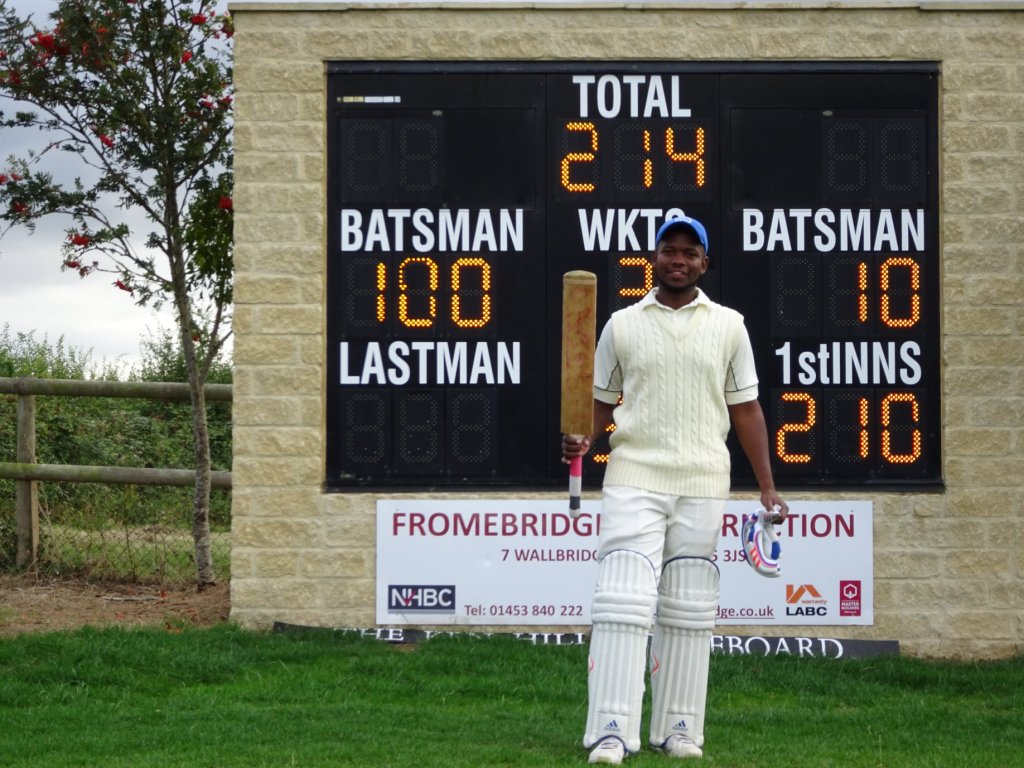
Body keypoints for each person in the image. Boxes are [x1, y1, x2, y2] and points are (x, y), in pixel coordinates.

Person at [561, 215, 789, 765]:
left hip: (704, 479)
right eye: (670, 250)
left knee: (689, 607)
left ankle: (679, 730)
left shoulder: (730, 326)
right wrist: (582, 438)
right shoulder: (621, 325)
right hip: (634, 474)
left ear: (704, 263)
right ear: (655, 258)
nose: (678, 260)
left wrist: (767, 487)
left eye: (690, 252)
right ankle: (611, 731)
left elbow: (747, 409)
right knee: (622, 600)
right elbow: (600, 403)